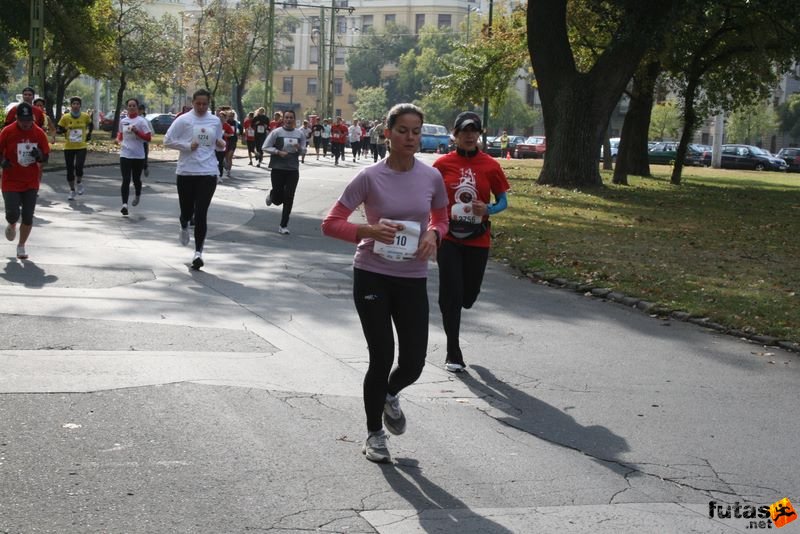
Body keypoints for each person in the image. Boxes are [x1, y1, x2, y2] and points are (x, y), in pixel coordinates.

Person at [321, 103, 449, 463]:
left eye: (416, 131)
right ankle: (375, 434)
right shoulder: (368, 177)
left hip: (412, 276)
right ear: (387, 133)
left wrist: (435, 234)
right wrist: (368, 230)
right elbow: (331, 223)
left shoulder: (431, 177)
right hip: (372, 273)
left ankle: (390, 393)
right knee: (382, 356)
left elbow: (441, 215)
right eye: (403, 130)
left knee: (413, 362)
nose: (410, 137)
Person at [433, 111, 510, 373]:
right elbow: (427, 198)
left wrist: (488, 209)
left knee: (468, 297)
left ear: (479, 134)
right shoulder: (442, 165)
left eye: (473, 131)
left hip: (478, 239)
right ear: (454, 135)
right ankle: (453, 351)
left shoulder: (490, 165)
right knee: (451, 294)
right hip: (449, 237)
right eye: (463, 131)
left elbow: (503, 201)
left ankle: (460, 301)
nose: (469, 135)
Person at [163, 88, 226, 270]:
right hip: (186, 172)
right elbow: (167, 140)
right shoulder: (183, 120)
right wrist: (187, 146)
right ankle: (183, 224)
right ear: (193, 102)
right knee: (186, 211)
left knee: (201, 213)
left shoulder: (214, 121)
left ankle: (198, 252)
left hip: (208, 172)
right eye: (198, 103)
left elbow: (218, 144)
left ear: (209, 103)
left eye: (204, 104)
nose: (201, 107)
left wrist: (221, 144)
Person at [0, 102, 50, 260]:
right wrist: (2, 162)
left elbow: (46, 156)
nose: (26, 124)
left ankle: (21, 246)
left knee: (28, 216)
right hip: (11, 180)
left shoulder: (39, 133)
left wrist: (39, 156)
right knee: (12, 214)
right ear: (17, 118)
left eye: (29, 120)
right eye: (23, 120)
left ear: (33, 118)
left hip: (30, 181)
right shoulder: (7, 131)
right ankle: (12, 223)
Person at [262, 109, 306, 235]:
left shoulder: (299, 134)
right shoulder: (276, 132)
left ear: (294, 119)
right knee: (277, 199)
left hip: (292, 169)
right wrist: (278, 152)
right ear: (283, 119)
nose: (288, 120)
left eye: (291, 117)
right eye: (286, 117)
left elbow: (304, 151)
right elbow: (265, 147)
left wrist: (299, 148)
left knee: (289, 197)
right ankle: (272, 195)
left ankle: (283, 225)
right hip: (278, 168)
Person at [115, 98, 152, 216]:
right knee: (126, 179)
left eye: (133, 106)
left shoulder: (141, 121)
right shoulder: (123, 121)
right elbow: (120, 134)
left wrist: (137, 132)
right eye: (129, 106)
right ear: (127, 108)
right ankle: (124, 205)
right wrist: (117, 139)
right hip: (125, 154)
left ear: (137, 107)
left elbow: (148, 138)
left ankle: (137, 194)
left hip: (138, 155)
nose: (131, 108)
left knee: (136, 179)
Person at [56, 96, 93, 200]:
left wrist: (89, 134)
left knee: (79, 166)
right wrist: (65, 129)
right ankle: (72, 190)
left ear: (80, 105)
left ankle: (79, 183)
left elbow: (91, 125)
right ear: (71, 105)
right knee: (70, 169)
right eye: (74, 104)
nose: (76, 106)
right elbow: (59, 129)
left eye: (77, 104)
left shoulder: (85, 116)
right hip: (69, 147)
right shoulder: (66, 117)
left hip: (81, 146)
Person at [224, 110, 239, 178]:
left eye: (232, 116)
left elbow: (240, 130)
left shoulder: (236, 123)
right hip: (226, 141)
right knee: (226, 157)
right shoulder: (225, 123)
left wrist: (239, 134)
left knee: (230, 156)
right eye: (229, 116)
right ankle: (227, 167)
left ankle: (229, 171)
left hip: (233, 141)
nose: (231, 117)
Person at [139, 103, 150, 177]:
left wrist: (142, 134)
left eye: (140, 109)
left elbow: (151, 132)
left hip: (144, 143)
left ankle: (145, 167)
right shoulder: (131, 119)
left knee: (144, 158)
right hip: (134, 143)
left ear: (143, 111)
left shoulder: (145, 120)